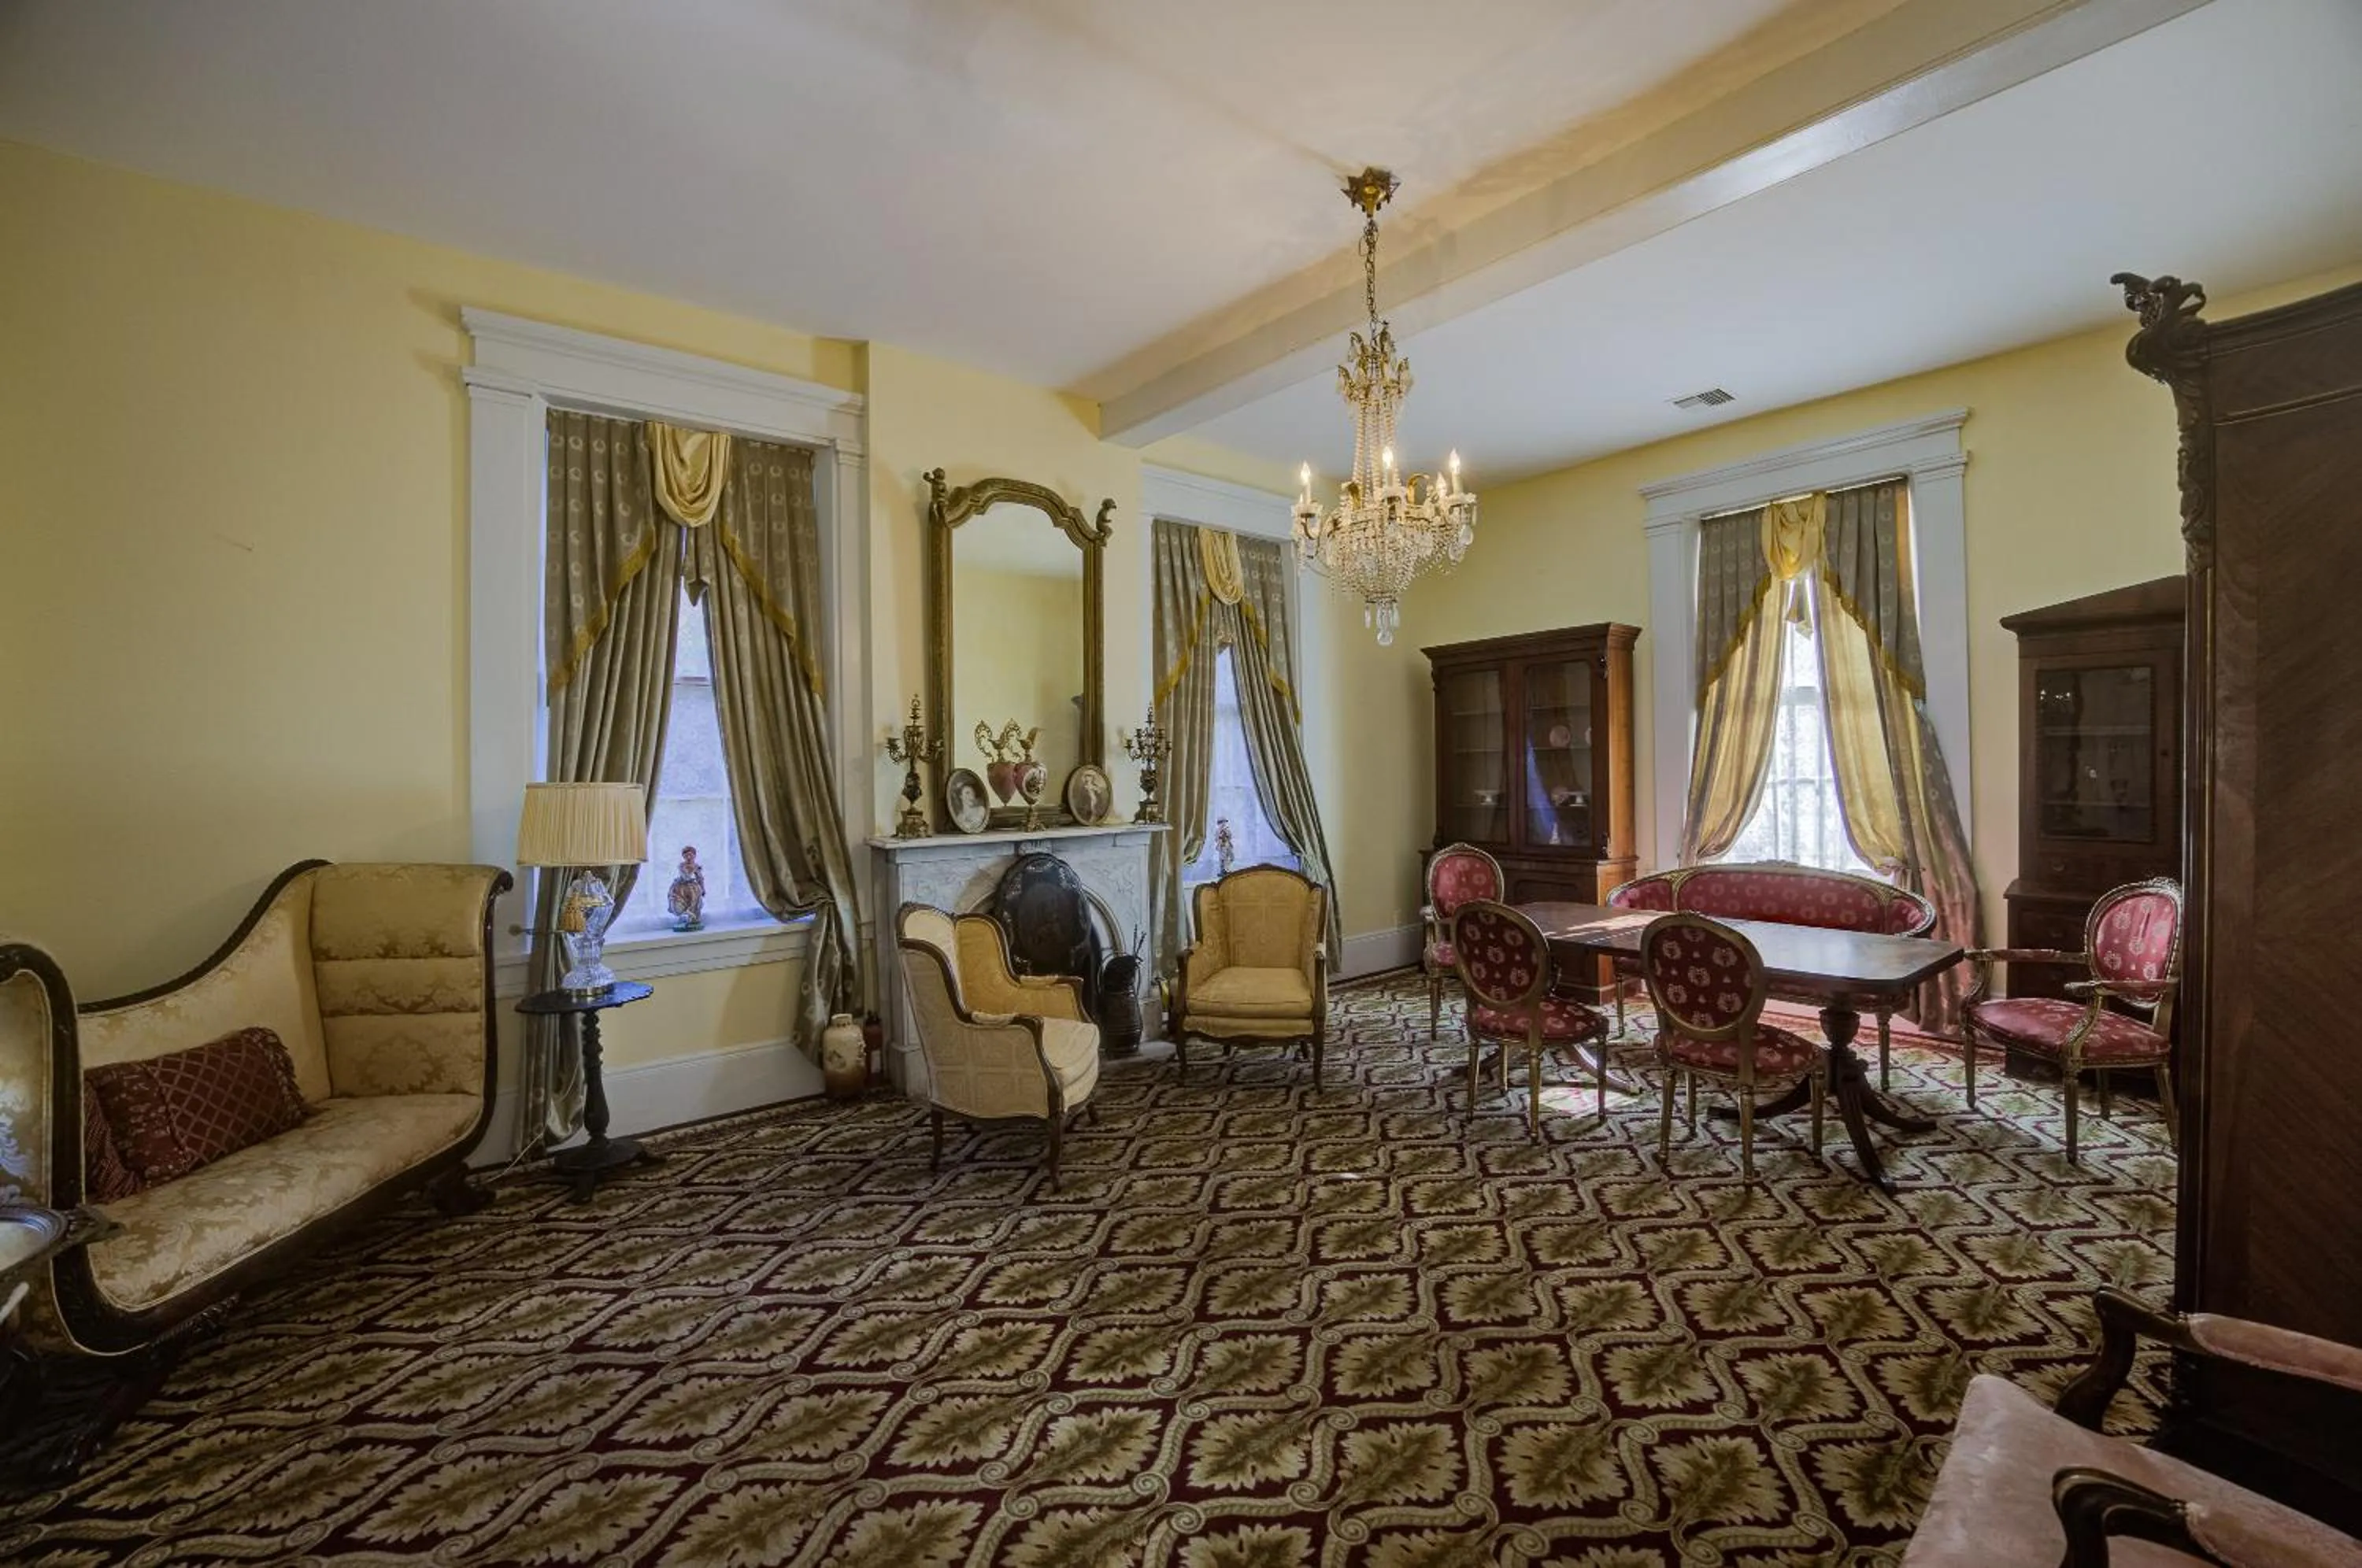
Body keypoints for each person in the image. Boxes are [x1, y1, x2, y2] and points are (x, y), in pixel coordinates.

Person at [667, 846, 706, 930]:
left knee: (695, 901)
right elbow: (685, 876)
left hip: (692, 886)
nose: (689, 857)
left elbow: (700, 878)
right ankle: (685, 914)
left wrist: (703, 888)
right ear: (683, 857)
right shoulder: (682, 865)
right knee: (680, 900)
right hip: (682, 886)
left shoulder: (696, 866)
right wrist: (692, 870)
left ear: (694, 856)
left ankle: (693, 919)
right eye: (686, 855)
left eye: (691, 855)